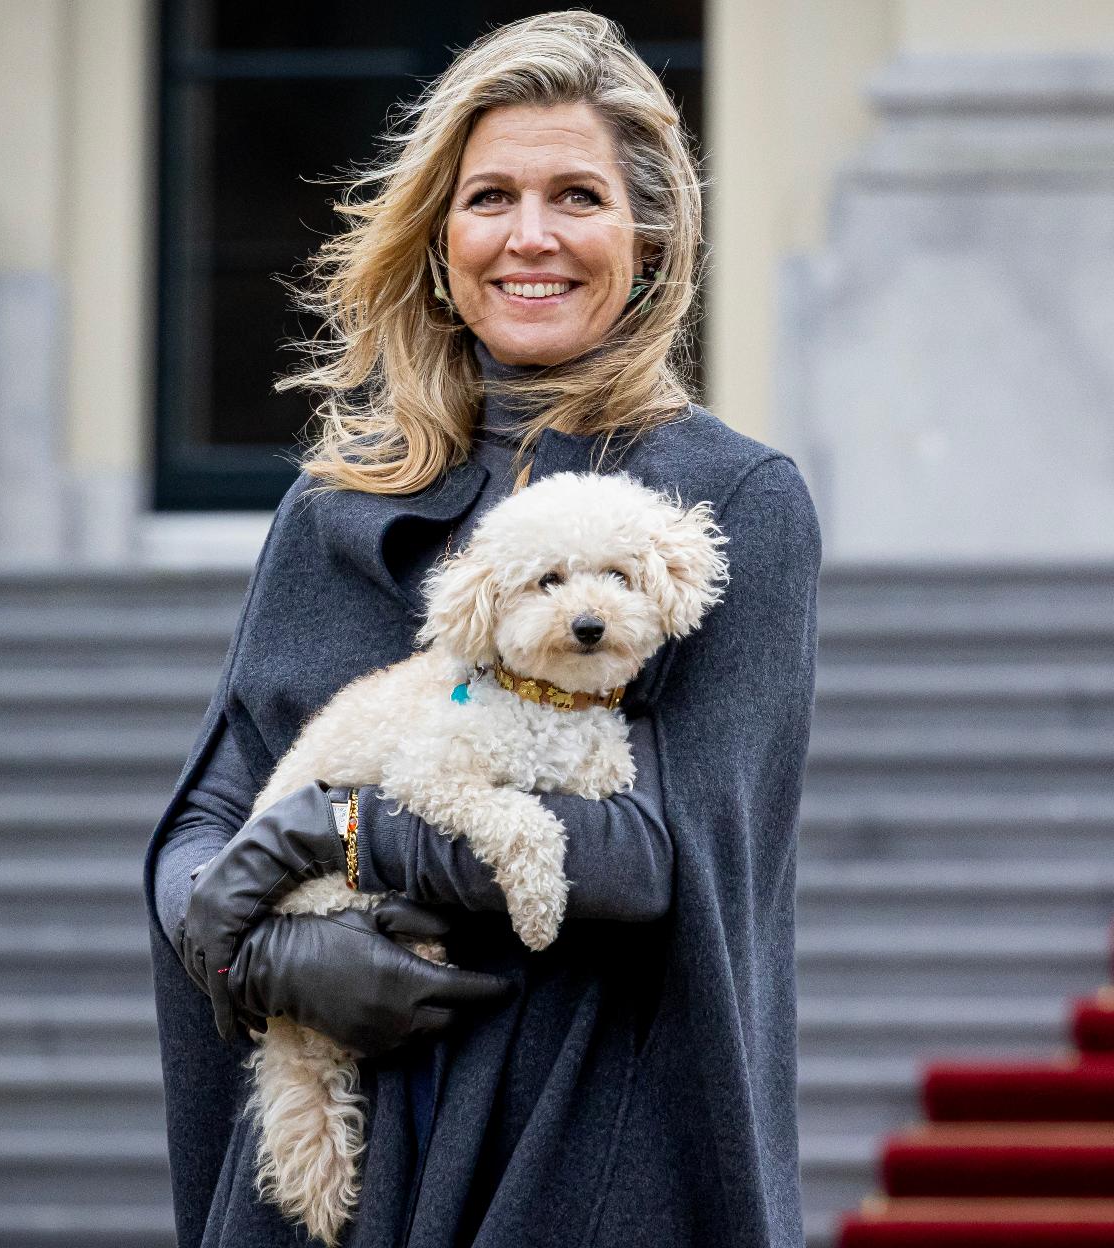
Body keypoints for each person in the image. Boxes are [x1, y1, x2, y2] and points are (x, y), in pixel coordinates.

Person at [144, 11, 821, 1248]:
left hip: (583, 1156)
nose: (531, 236)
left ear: (650, 239)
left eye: (579, 195)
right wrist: (266, 960)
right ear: (442, 240)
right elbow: (203, 822)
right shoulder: (334, 501)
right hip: (334, 1169)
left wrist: (345, 833)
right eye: (490, 196)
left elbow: (658, 862)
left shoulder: (727, 504)